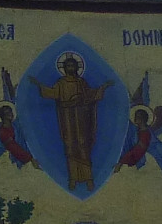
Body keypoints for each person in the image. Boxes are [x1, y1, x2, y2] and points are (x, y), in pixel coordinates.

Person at [32, 50, 107, 194]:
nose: (71, 68)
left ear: (77, 68)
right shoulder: (61, 83)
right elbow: (53, 93)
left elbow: (90, 95)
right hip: (67, 119)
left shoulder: (81, 82)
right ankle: (73, 178)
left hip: (82, 118)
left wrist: (102, 88)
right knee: (70, 146)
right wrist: (39, 85)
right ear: (65, 68)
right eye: (69, 66)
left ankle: (88, 178)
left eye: (74, 66)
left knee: (83, 146)